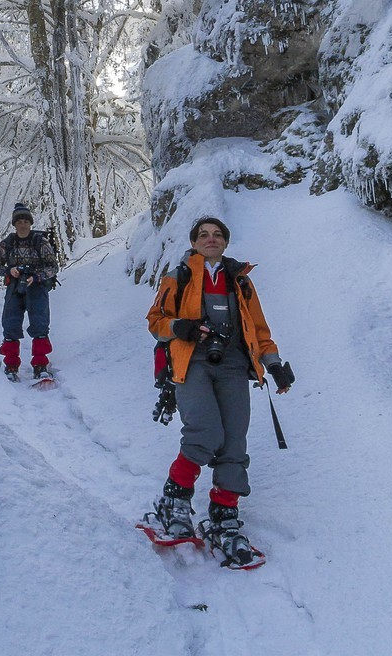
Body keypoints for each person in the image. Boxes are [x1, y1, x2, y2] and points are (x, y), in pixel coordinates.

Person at [145, 214, 294, 566]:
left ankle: (224, 516)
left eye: (217, 235)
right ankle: (174, 500)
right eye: (203, 235)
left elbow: (258, 330)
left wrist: (274, 365)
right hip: (191, 361)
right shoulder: (178, 276)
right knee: (204, 433)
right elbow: (155, 321)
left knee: (234, 442)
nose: (210, 239)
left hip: (233, 364)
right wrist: (182, 327)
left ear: (225, 242)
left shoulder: (240, 281)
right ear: (194, 242)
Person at [0, 203, 59, 381]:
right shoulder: (7, 243)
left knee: (40, 325)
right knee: (11, 324)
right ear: (14, 224)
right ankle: (11, 365)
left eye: (25, 221)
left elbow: (53, 267)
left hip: (37, 287)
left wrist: (36, 277)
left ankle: (40, 364)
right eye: (19, 221)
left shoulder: (40, 242)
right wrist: (10, 271)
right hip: (14, 287)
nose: (22, 224)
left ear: (30, 223)